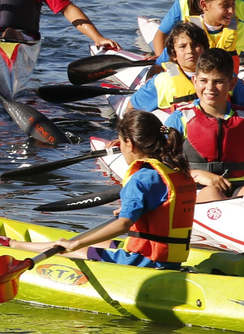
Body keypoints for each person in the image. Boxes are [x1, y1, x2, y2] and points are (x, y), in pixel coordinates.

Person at [11, 110, 196, 270]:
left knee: (71, 250)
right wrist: (134, 213)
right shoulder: (174, 170)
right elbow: (160, 210)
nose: (121, 149)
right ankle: (17, 243)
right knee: (100, 242)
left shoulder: (141, 179)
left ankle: (14, 246)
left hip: (141, 262)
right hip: (169, 260)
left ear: (130, 144)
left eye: (122, 144)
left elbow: (123, 225)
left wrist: (76, 243)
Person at [163, 49, 244, 203]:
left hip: (236, 187)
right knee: (212, 192)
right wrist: (196, 174)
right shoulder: (179, 119)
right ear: (195, 81)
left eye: (218, 81)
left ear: (232, 83)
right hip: (195, 188)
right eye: (204, 80)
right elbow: (158, 165)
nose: (210, 87)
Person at [130, 22, 244, 113]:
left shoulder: (225, 77)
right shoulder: (160, 82)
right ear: (174, 54)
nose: (190, 51)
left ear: (205, 49)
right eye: (182, 46)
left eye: (195, 45)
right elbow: (131, 108)